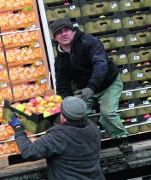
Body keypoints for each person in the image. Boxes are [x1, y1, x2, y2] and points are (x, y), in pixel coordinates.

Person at [50, 18, 133, 153]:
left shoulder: (89, 42)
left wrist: (92, 87)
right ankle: (86, 144)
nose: (63, 34)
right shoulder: (60, 60)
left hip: (108, 84)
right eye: (59, 32)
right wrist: (66, 102)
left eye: (66, 30)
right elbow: (62, 83)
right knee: (74, 115)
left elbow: (100, 64)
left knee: (107, 113)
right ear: (55, 38)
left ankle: (122, 140)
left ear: (73, 31)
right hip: (85, 89)